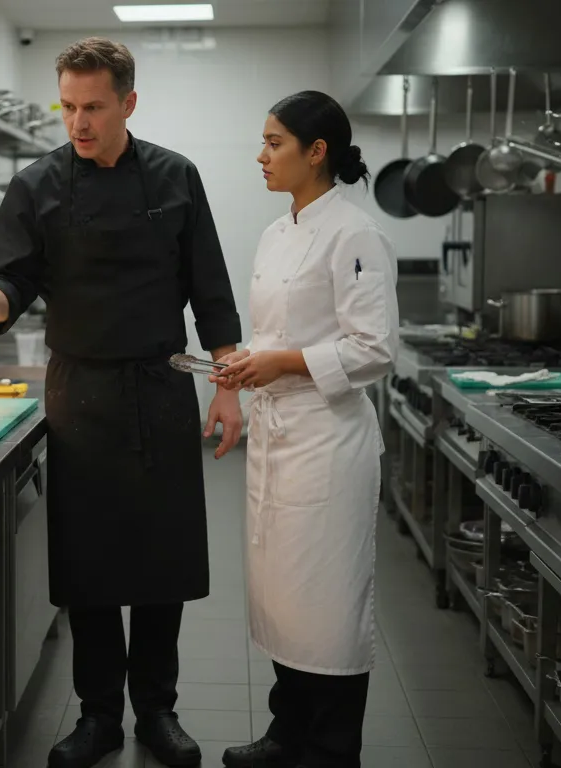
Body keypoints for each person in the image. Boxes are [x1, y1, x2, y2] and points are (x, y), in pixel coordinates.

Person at [0, 37, 243, 768]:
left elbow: (212, 288)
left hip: (163, 383)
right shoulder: (36, 186)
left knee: (161, 563)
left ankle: (157, 712)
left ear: (128, 103)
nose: (79, 122)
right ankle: (99, 716)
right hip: (79, 392)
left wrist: (227, 386)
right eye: (69, 107)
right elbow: (11, 285)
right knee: (91, 566)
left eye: (94, 107)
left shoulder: (174, 177)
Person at [211, 92, 398, 768]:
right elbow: (278, 331)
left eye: (274, 143)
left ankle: (328, 747)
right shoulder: (275, 232)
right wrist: (244, 363)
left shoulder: (354, 233)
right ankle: (287, 732)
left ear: (316, 152)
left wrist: (281, 362)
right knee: (284, 598)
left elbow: (374, 348)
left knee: (328, 605)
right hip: (279, 437)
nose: (260, 156)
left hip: (328, 444)